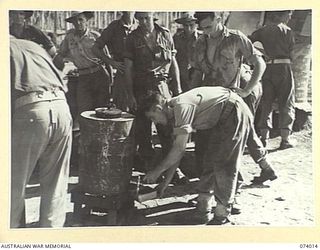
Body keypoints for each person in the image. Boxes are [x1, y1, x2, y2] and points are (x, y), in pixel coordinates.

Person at [142, 87, 254, 225]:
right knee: (208, 161)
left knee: (224, 164)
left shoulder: (182, 106)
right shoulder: (174, 113)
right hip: (218, 118)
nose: (155, 122)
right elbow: (177, 153)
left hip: (234, 112)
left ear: (158, 109)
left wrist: (156, 172)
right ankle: (203, 210)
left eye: (153, 118)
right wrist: (165, 183)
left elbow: (179, 149)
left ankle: (222, 214)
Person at [192, 12, 277, 185]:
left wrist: (246, 90)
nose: (206, 31)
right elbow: (197, 72)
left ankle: (233, 188)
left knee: (233, 140)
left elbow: (260, 63)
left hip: (231, 98)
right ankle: (264, 166)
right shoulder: (201, 41)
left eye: (209, 27)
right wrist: (192, 98)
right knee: (214, 140)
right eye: (202, 28)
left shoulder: (236, 38)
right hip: (209, 99)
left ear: (219, 19)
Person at [10, 37, 72, 228]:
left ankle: (11, 236)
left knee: (13, 184)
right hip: (61, 106)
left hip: (31, 111)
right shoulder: (31, 45)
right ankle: (50, 237)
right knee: (56, 184)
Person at [123, 12, 187, 183]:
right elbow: (128, 68)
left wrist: (178, 88)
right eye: (140, 19)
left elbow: (173, 61)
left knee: (168, 130)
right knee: (143, 131)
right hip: (141, 88)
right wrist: (130, 94)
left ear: (153, 16)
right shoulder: (132, 38)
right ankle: (149, 166)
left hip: (162, 87)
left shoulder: (165, 34)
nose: (143, 22)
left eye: (146, 18)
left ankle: (174, 170)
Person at [249, 10, 295, 150]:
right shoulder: (287, 31)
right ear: (281, 15)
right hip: (284, 68)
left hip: (267, 68)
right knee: (286, 101)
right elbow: (292, 52)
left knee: (267, 102)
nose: (289, 18)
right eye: (288, 15)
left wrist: (264, 54)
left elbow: (249, 43)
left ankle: (264, 138)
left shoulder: (262, 31)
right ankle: (285, 140)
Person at [54, 11, 112, 118]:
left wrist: (111, 82)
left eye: (81, 20)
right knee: (84, 110)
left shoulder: (95, 37)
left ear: (86, 21)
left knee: (102, 109)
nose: (78, 23)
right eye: (75, 21)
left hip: (99, 75)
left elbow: (107, 59)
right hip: (83, 77)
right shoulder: (69, 38)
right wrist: (58, 69)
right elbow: (60, 55)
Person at [92, 11, 138, 111]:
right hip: (123, 74)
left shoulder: (139, 24)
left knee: (140, 110)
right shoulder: (114, 27)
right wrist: (112, 62)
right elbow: (95, 48)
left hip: (140, 74)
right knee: (123, 110)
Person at [173, 12, 201, 92]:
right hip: (182, 77)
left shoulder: (203, 38)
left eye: (191, 25)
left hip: (198, 77)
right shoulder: (177, 38)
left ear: (196, 24)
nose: (188, 28)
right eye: (185, 25)